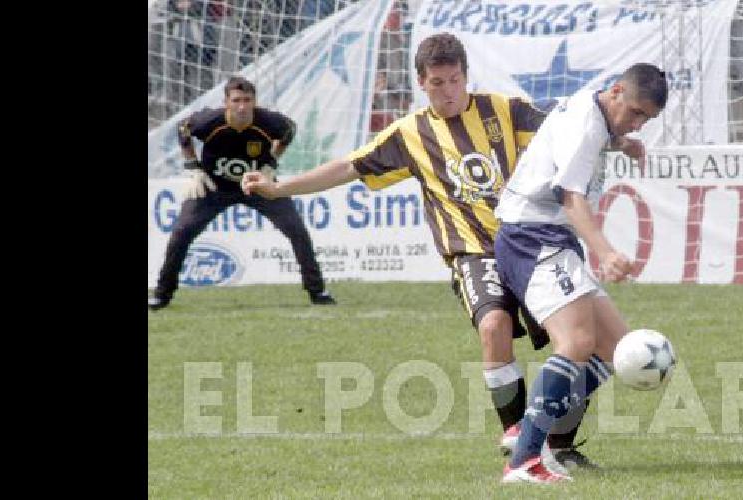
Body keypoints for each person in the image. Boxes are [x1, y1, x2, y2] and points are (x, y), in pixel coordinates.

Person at [242, 33, 644, 470]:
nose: (448, 91)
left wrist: (619, 142)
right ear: (421, 83)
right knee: (494, 327)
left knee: (586, 345)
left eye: (455, 80)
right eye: (438, 83)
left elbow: (567, 131)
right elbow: (347, 166)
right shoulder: (410, 134)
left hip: (531, 241)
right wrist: (280, 189)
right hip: (473, 252)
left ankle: (557, 444)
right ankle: (518, 438)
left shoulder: (502, 109)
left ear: (466, 77)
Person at [493, 62, 668, 484]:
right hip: (532, 237)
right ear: (616, 90)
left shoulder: (597, 116)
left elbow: (588, 138)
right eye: (635, 113)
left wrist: (623, 142)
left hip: (551, 238)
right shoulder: (587, 126)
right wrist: (605, 251)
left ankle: (533, 428)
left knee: (614, 352)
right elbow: (570, 195)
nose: (638, 123)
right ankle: (524, 460)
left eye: (646, 119)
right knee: (576, 343)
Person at [149, 76, 337, 310]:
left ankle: (317, 292)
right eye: (236, 100)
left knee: (296, 229)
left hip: (258, 184)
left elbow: (290, 130)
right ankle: (161, 295)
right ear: (226, 102)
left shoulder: (268, 121)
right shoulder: (209, 121)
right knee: (181, 232)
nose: (242, 106)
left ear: (254, 101)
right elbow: (182, 129)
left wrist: (271, 164)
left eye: (247, 100)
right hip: (214, 187)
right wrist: (193, 168)